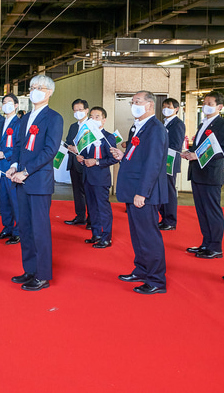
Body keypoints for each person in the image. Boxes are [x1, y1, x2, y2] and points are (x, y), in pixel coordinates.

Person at [5, 75, 63, 291]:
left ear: (49, 92)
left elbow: (50, 150)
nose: (35, 91)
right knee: (26, 228)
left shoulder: (54, 118)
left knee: (40, 229)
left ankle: (43, 274)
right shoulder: (25, 117)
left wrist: (26, 172)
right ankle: (29, 269)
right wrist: (14, 165)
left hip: (38, 181)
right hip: (21, 180)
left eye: (40, 87)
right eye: (32, 87)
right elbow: (19, 146)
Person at [111, 91, 169, 294]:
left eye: (137, 102)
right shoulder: (138, 127)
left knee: (148, 235)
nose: (133, 105)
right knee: (137, 234)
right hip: (133, 188)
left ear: (150, 105)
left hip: (145, 192)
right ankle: (142, 269)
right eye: (132, 102)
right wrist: (123, 155)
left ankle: (156, 279)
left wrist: (142, 193)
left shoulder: (155, 129)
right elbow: (139, 156)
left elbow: (153, 163)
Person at [180, 91, 224, 259]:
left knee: (212, 211)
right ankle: (206, 243)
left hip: (211, 174)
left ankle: (216, 246)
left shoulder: (222, 125)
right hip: (198, 173)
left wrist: (198, 156)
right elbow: (202, 147)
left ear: (219, 107)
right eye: (204, 103)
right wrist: (191, 153)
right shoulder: (204, 123)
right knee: (202, 211)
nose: (206, 106)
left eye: (210, 104)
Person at [75, 106, 118, 248]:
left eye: (97, 117)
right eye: (91, 117)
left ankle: (106, 237)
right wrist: (81, 157)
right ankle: (96, 234)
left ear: (104, 120)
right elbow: (86, 155)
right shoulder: (87, 137)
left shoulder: (108, 137)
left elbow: (114, 159)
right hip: (87, 177)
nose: (93, 119)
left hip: (100, 178)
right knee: (92, 207)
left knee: (102, 207)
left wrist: (97, 161)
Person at [0, 93, 22, 245]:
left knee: (15, 200)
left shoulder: (19, 123)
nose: (6, 104)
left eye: (9, 102)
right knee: (4, 200)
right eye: (4, 102)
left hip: (12, 167)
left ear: (16, 105)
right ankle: (7, 228)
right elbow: (0, 141)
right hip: (0, 166)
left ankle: (17, 231)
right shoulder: (2, 122)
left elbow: (19, 146)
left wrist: (6, 154)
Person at [159, 98, 185, 230]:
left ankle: (170, 220)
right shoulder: (163, 123)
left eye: (168, 106)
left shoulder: (177, 124)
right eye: (164, 106)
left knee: (169, 190)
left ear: (176, 109)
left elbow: (176, 145)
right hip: (161, 161)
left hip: (170, 161)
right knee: (162, 190)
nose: (165, 109)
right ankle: (164, 217)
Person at [64, 99, 90, 227]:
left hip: (86, 163)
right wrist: (69, 147)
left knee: (88, 192)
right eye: (75, 110)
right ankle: (80, 216)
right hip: (73, 162)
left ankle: (91, 219)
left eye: (80, 110)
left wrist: (79, 149)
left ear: (86, 110)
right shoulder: (73, 126)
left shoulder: (91, 126)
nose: (78, 112)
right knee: (77, 191)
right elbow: (68, 141)